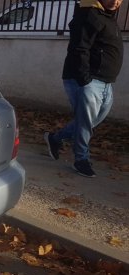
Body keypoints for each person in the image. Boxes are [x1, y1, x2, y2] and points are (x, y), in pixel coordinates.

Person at [44, 0, 124, 177]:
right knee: (85, 122)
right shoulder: (89, 14)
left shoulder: (108, 17)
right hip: (88, 81)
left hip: (105, 81)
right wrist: (85, 80)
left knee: (90, 121)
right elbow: (79, 48)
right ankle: (81, 159)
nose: (116, 1)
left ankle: (55, 139)